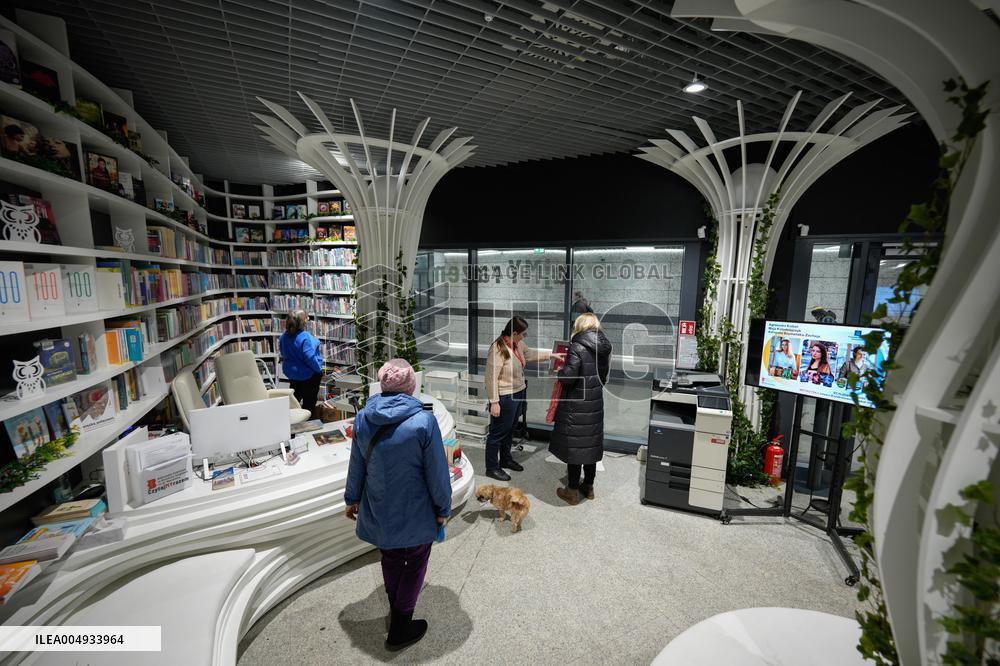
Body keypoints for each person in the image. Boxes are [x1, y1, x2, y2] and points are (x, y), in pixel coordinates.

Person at [344, 359, 452, 651]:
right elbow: (437, 472)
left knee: (390, 557)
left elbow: (357, 463)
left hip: (379, 505)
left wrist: (351, 498)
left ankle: (396, 610)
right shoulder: (423, 421)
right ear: (411, 387)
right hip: (416, 508)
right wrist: (443, 508)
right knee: (416, 559)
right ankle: (401, 625)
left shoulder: (364, 417)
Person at [484, 315, 563, 481]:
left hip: (518, 391)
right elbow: (491, 377)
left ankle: (505, 460)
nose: (524, 337)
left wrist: (551, 355)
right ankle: (491, 467)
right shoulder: (498, 348)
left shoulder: (517, 343)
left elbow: (529, 354)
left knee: (510, 430)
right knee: (498, 433)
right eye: (523, 334)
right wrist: (494, 402)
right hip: (505, 396)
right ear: (514, 333)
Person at [550, 313, 612, 505]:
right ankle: (589, 487)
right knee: (590, 446)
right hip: (594, 402)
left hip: (576, 403)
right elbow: (603, 376)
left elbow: (569, 377)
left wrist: (560, 371)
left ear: (580, 326)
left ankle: (572, 490)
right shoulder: (605, 347)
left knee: (575, 447)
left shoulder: (576, 346)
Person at [278, 309, 323, 413]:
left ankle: (293, 423)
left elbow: (283, 353)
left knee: (295, 401)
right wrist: (318, 370)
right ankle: (307, 425)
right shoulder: (305, 337)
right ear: (303, 322)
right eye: (306, 318)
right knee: (309, 403)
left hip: (292, 374)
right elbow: (310, 358)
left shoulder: (283, 336)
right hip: (308, 375)